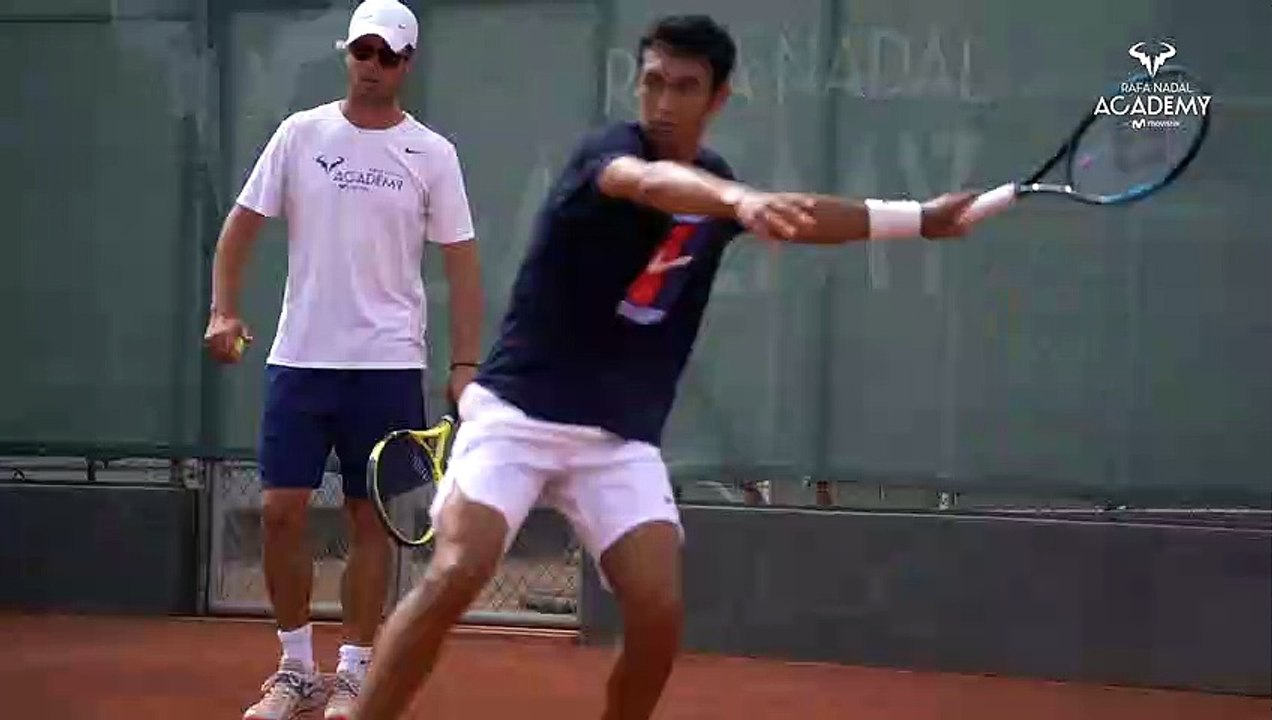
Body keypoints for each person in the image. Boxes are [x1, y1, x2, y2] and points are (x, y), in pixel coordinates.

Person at [351, 13, 988, 720]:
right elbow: (648, 183)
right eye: (653, 82)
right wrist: (737, 201)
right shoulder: (609, 156)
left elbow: (803, 215)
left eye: (684, 87)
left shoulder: (718, 184)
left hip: (618, 438)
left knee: (658, 615)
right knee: (456, 572)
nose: (662, 101)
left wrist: (922, 218)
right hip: (518, 415)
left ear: (717, 99)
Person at [201, 1, 483, 718]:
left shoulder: (434, 154)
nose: (371, 65)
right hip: (299, 361)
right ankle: (295, 670)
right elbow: (240, 227)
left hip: (387, 365)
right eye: (362, 50)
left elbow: (463, 264)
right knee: (279, 513)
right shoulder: (301, 135)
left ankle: (354, 674)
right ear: (346, 54)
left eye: (387, 55)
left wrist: (464, 365)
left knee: (370, 518)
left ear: (407, 64)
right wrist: (223, 310)